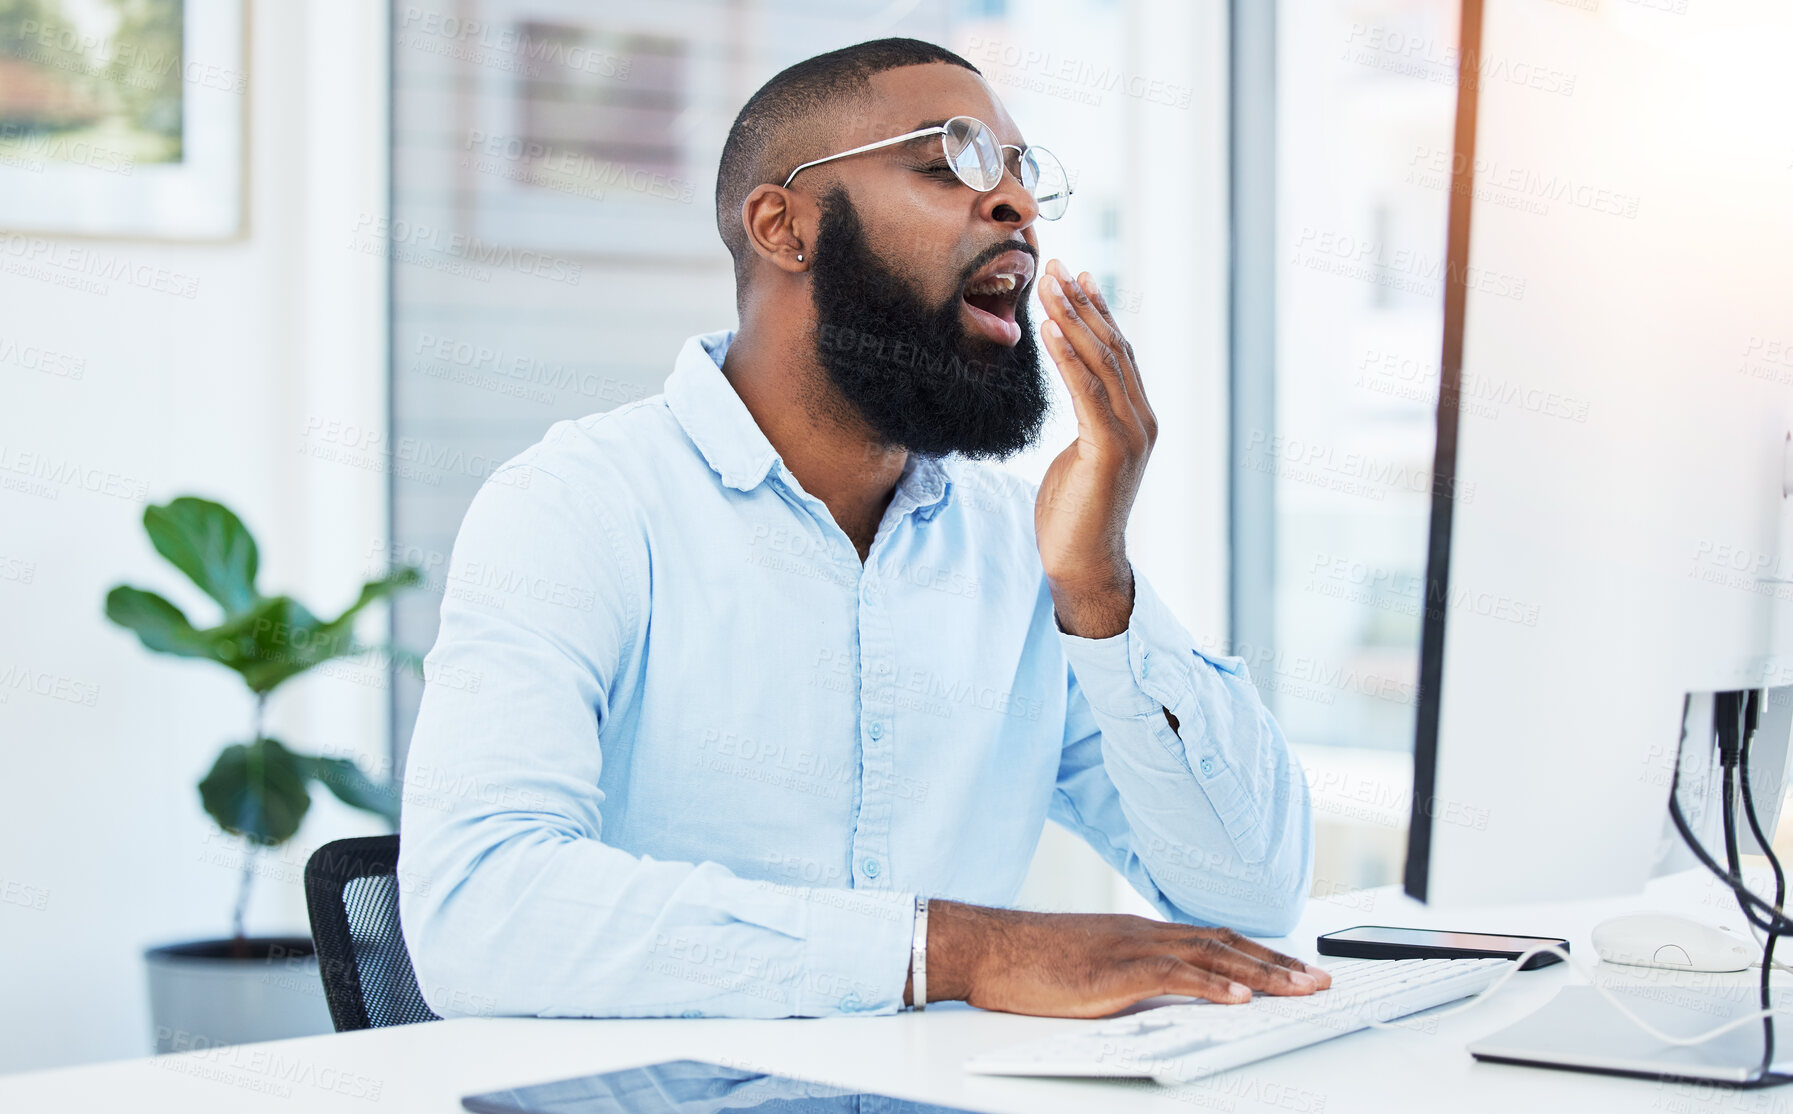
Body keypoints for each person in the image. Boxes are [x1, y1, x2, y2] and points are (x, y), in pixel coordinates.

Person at [399, 37, 1323, 1022]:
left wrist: (1098, 593)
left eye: (1021, 172)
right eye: (946, 162)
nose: (1011, 203)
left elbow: (1248, 896)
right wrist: (953, 950)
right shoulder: (576, 508)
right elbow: (480, 915)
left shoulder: (1022, 552)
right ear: (782, 227)